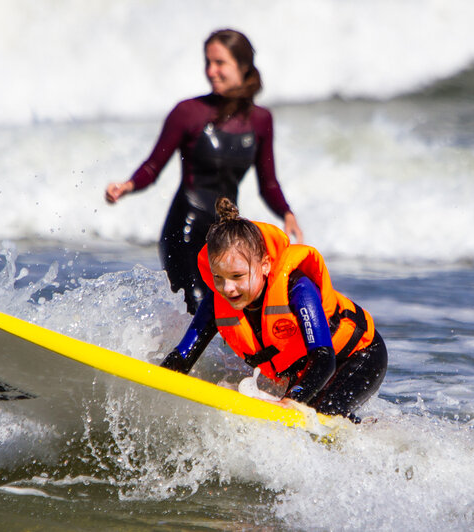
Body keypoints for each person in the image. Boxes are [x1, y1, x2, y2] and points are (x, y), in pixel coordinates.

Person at [105, 29, 303, 315]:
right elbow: (153, 166)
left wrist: (286, 212)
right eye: (207, 62)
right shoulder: (187, 112)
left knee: (233, 309)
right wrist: (128, 185)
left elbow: (268, 182)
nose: (211, 71)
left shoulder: (261, 120)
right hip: (185, 228)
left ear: (243, 66)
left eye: (220, 63)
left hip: (225, 232)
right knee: (197, 306)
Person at [160, 197, 387, 420]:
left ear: (265, 265)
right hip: (305, 368)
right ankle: (362, 424)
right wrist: (155, 381)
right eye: (218, 277)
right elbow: (182, 358)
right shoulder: (217, 301)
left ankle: (368, 433)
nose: (227, 288)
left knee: (318, 419)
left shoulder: (297, 289)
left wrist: (291, 400)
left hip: (359, 357)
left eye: (237, 276)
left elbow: (323, 358)